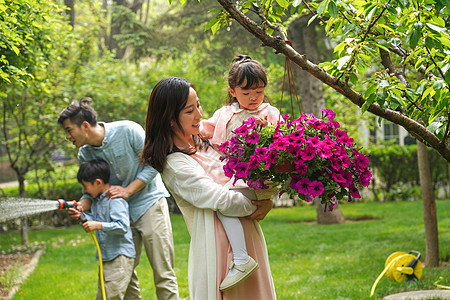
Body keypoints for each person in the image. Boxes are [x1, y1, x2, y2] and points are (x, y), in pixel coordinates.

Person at [141, 77, 277, 299]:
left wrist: (267, 197)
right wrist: (256, 205)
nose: (199, 114)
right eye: (189, 111)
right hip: (218, 249)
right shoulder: (175, 163)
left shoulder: (208, 142)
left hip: (247, 236)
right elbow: (220, 200)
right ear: (169, 119)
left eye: (198, 105)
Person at [57, 99, 178, 300]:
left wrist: (128, 190)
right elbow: (92, 190)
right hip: (120, 213)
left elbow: (156, 161)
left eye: (69, 130)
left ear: (85, 126)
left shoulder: (128, 130)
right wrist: (83, 204)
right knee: (124, 271)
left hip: (149, 204)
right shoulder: (84, 154)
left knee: (162, 271)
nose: (67, 136)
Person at [200, 55, 281, 291]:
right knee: (223, 201)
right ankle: (241, 258)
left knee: (223, 204)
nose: (254, 98)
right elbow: (206, 128)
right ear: (232, 91)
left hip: (257, 178)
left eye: (259, 91)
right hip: (234, 177)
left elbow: (281, 139)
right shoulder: (225, 113)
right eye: (246, 93)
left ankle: (242, 259)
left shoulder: (269, 113)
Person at [76, 159, 138, 300]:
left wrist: (98, 225)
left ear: (98, 182)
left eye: (85, 186)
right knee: (130, 297)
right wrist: (80, 215)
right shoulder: (98, 201)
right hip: (108, 257)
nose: (84, 191)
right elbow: (92, 218)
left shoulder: (115, 200)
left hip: (118, 257)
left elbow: (122, 226)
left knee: (108, 296)